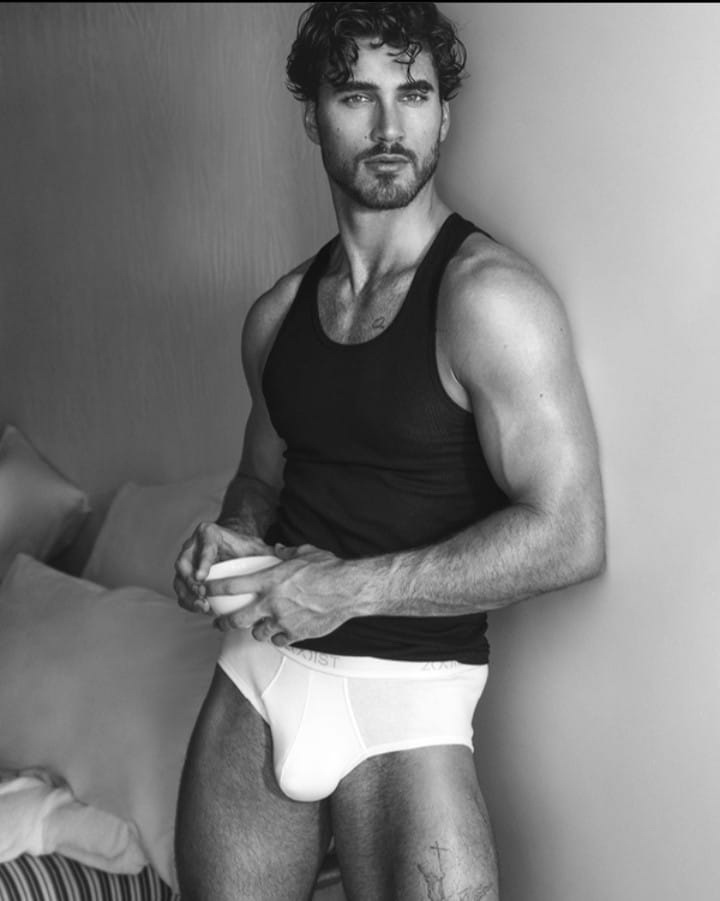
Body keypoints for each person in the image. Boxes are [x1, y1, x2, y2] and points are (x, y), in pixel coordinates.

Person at [173, 3, 606, 899]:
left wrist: (348, 588)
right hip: (256, 675)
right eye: (353, 96)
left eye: (412, 94)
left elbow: (570, 535)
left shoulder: (489, 299)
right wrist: (232, 539)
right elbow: (260, 476)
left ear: (443, 115)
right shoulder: (277, 315)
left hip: (410, 701)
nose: (386, 126)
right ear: (312, 117)